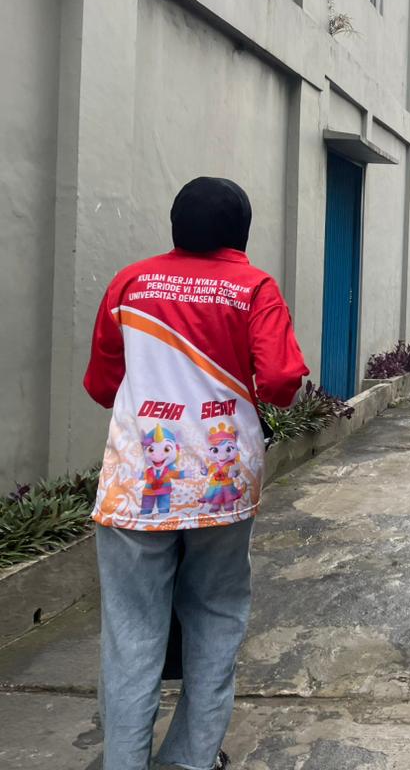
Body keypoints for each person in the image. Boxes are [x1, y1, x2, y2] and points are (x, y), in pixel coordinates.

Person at [83, 177, 309, 770]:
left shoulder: (130, 283)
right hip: (221, 484)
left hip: (137, 487)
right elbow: (283, 382)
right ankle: (189, 760)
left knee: (132, 631)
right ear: (242, 233)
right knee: (214, 616)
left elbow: (101, 383)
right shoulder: (254, 287)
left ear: (176, 226)